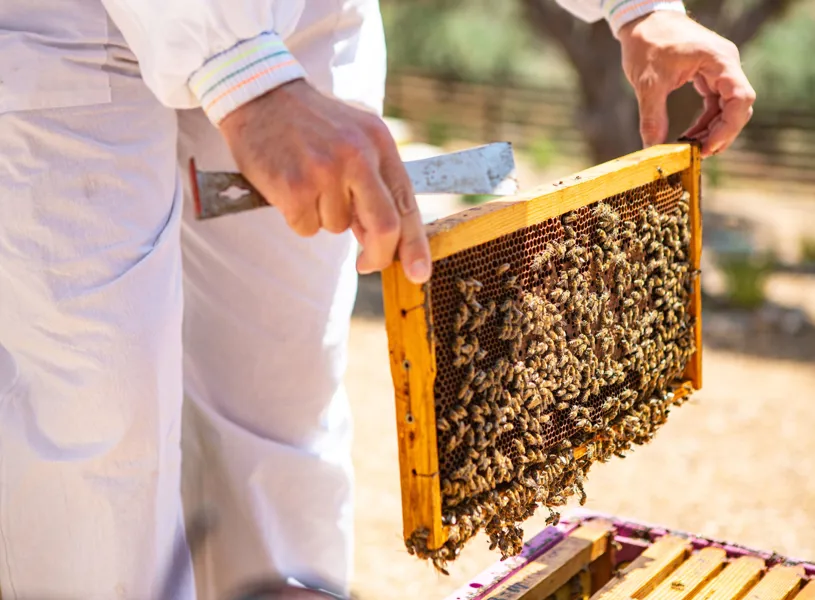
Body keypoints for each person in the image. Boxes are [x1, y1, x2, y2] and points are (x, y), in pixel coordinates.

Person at [0, 0, 754, 598]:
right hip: (59, 30)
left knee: (279, 396)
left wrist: (635, 6)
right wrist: (242, 73)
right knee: (96, 425)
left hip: (302, 20)